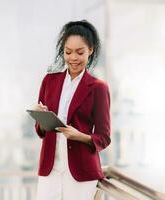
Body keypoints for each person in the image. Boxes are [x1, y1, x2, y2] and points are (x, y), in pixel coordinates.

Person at [33, 20, 111, 200]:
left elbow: (104, 137)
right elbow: (40, 131)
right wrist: (41, 117)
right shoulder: (49, 81)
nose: (73, 58)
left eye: (80, 52)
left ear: (90, 50)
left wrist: (79, 136)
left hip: (81, 172)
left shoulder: (98, 88)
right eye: (68, 52)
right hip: (50, 168)